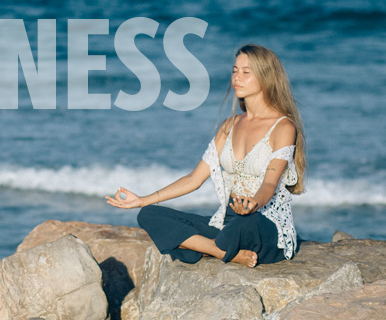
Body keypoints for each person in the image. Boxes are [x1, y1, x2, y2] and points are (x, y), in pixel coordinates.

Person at [106, 44, 307, 268]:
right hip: (227, 221)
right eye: (234, 70)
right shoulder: (228, 126)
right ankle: (223, 252)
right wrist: (143, 199)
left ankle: (208, 246)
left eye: (246, 72)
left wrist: (252, 204)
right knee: (149, 215)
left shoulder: (283, 127)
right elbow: (194, 179)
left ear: (266, 77)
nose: (237, 78)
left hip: (262, 221)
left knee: (240, 228)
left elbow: (270, 182)